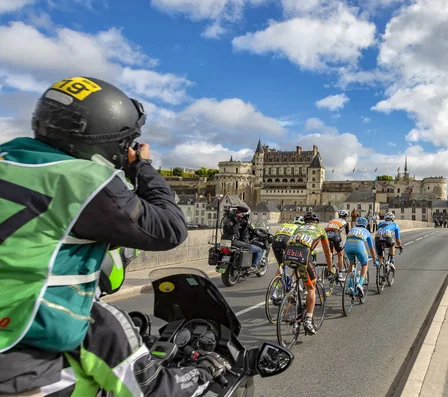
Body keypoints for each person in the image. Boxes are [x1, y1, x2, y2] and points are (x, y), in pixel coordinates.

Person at [0, 76, 229, 396]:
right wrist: (144, 168)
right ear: (104, 142)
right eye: (126, 142)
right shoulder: (82, 181)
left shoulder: (9, 158)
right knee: (137, 372)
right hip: (22, 364)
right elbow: (171, 229)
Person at [283, 212, 333, 335]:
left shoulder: (299, 227)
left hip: (288, 254)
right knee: (311, 287)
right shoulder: (321, 230)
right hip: (302, 255)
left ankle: (294, 291)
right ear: (316, 222)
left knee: (299, 271)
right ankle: (309, 321)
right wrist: (330, 269)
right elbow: (327, 253)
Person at [344, 217, 378, 298]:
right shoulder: (367, 232)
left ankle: (348, 284)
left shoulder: (352, 229)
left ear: (357, 224)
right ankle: (360, 284)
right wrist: (374, 260)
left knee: (351, 263)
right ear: (366, 225)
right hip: (358, 246)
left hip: (347, 247)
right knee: (364, 264)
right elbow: (372, 249)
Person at [325, 209, 351, 282]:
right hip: (335, 234)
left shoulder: (333, 220)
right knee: (340, 254)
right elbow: (348, 235)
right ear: (346, 217)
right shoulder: (346, 222)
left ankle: (328, 269)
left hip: (326, 233)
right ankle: (340, 275)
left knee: (330, 253)